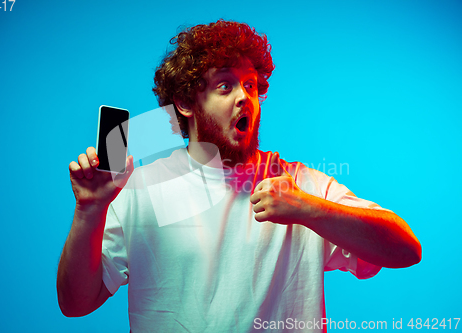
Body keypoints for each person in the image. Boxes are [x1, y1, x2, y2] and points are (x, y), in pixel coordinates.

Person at [57, 20, 421, 332]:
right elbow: (76, 303)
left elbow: (405, 249)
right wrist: (90, 210)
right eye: (225, 85)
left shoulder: (303, 185)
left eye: (250, 85)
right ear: (185, 103)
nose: (244, 97)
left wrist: (308, 209)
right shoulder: (140, 189)